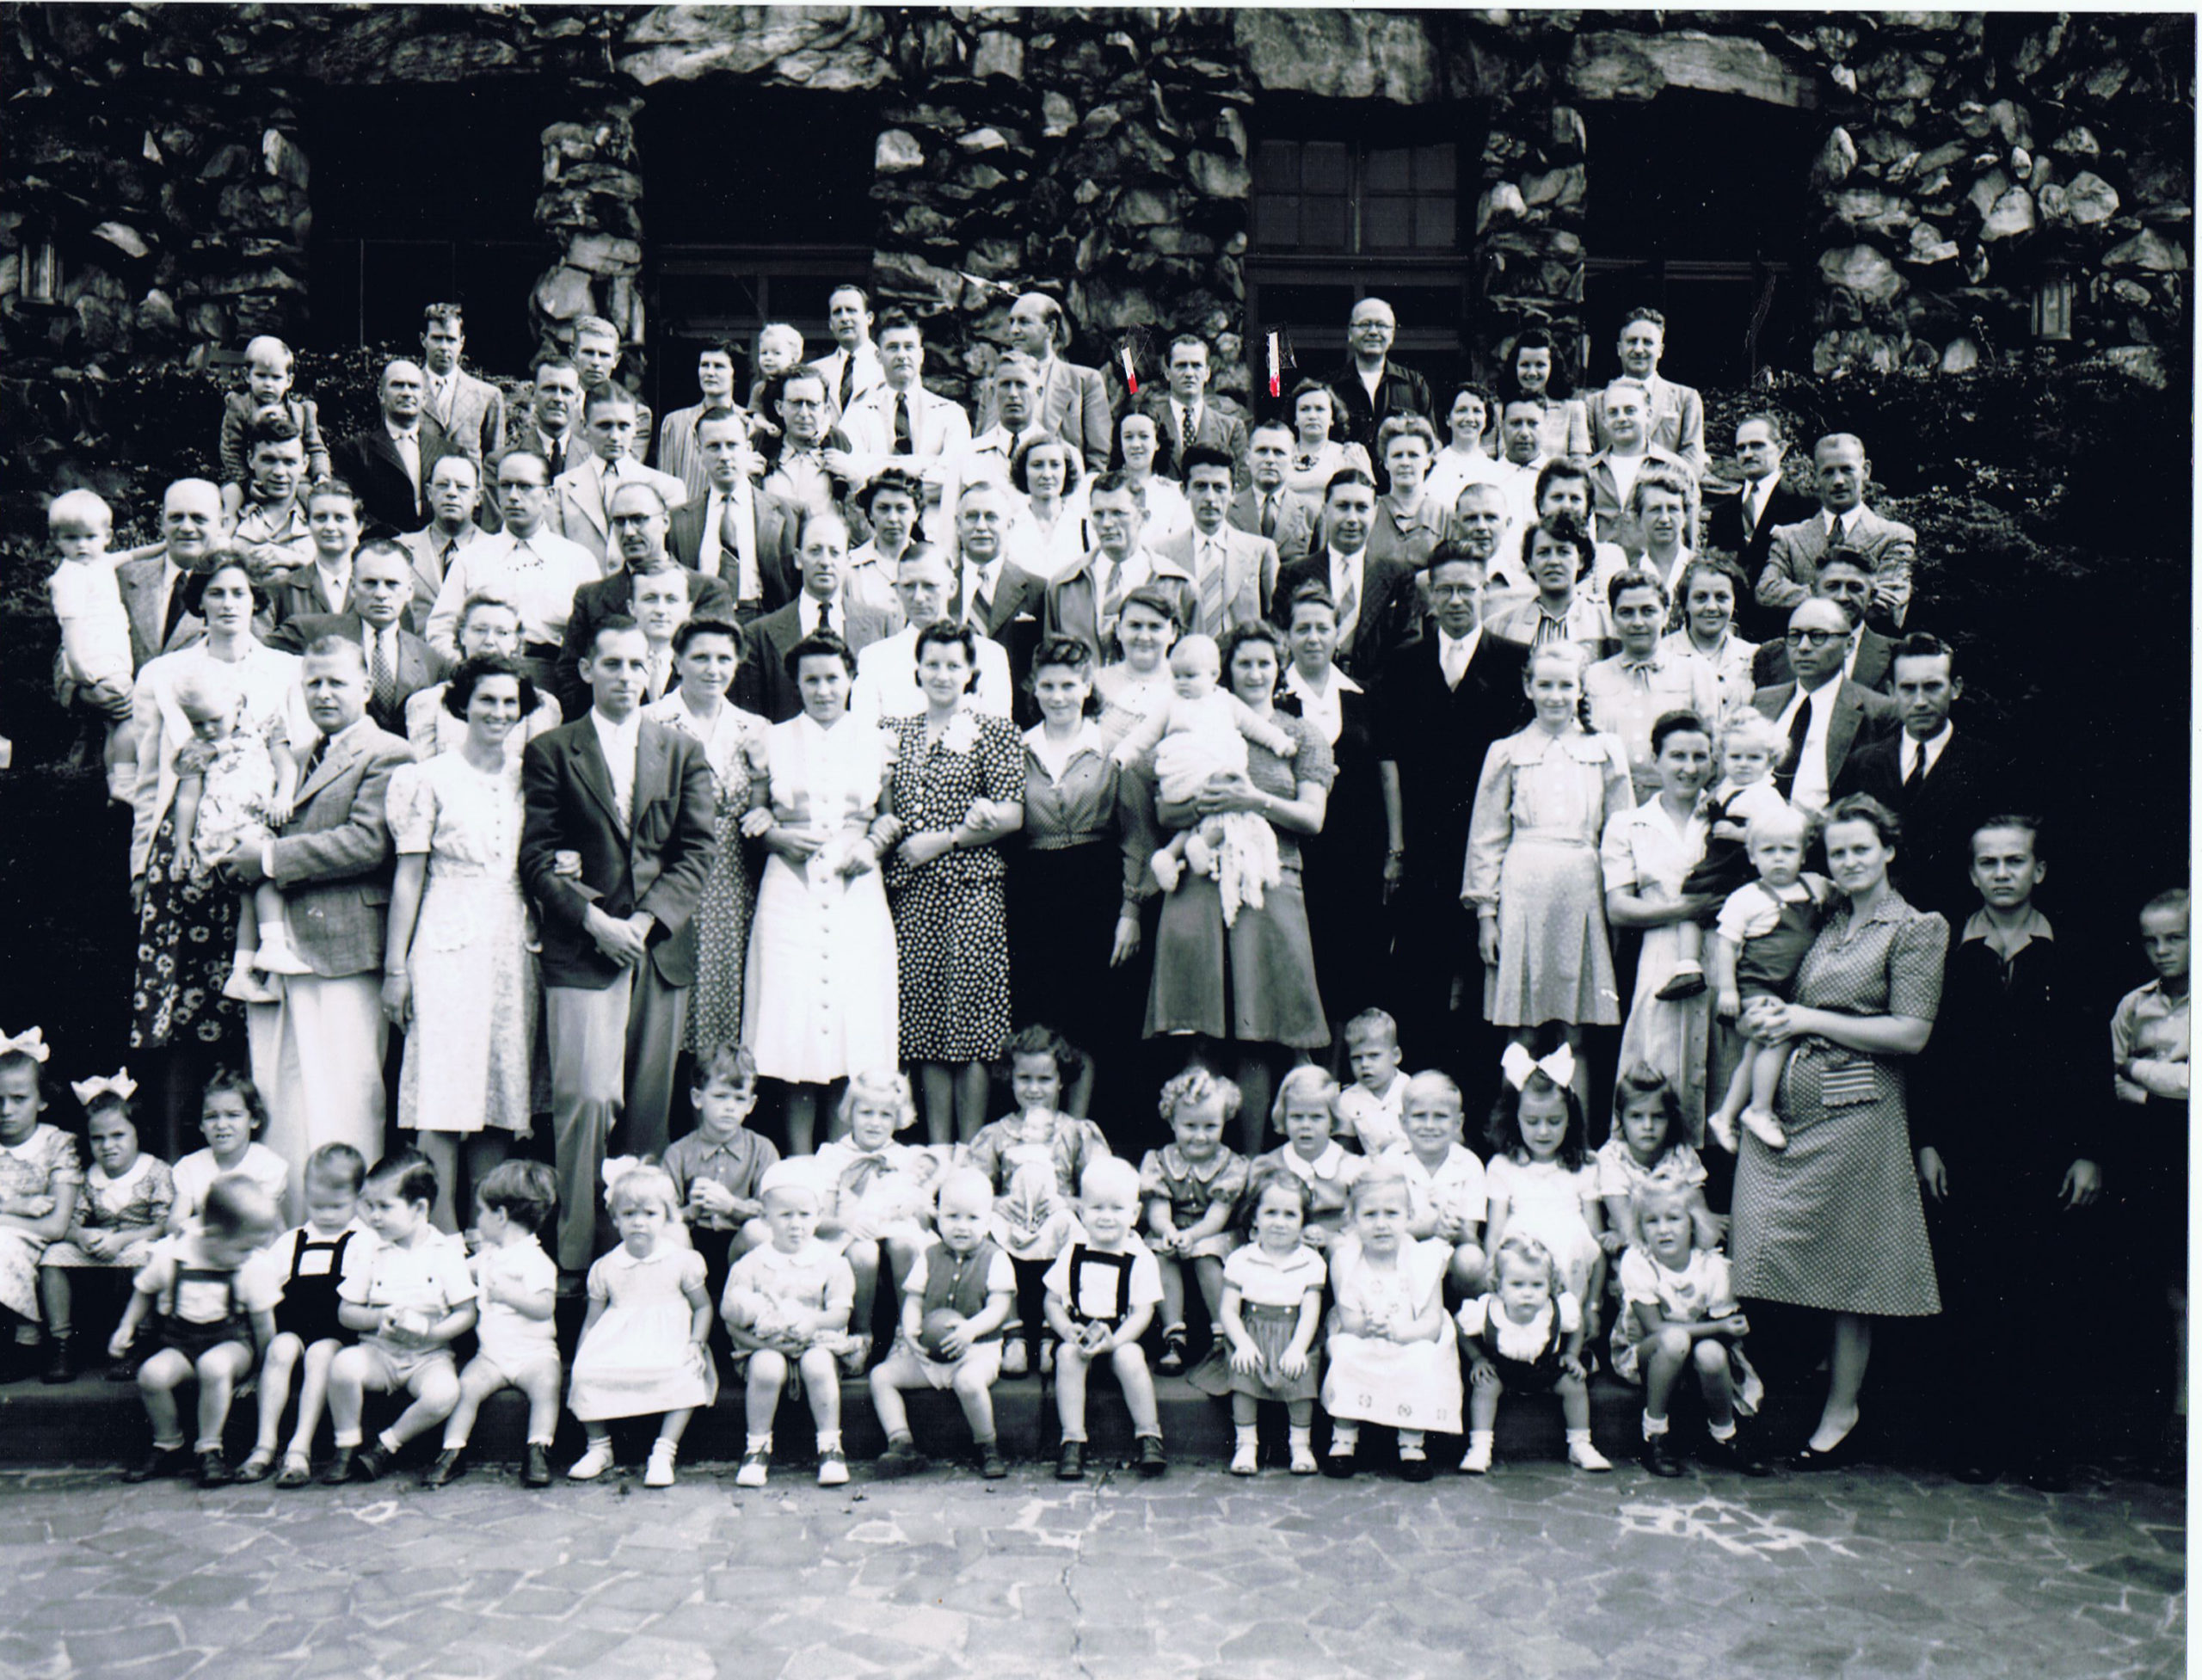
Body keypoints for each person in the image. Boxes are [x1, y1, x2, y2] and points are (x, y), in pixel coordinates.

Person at [1729, 793, 1948, 1468]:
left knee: (1850, 1270)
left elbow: (1911, 1032)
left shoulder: (1914, 927)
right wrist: (1770, 1017)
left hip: (1860, 1109)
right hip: (1792, 1109)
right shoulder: (1826, 919)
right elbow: (1781, 996)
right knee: (1758, 1244)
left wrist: (1805, 1020)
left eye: (1861, 847)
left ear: (1888, 850)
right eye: (1838, 850)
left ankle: (1840, 1410)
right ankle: (1763, 1395)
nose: (1849, 860)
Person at [1910, 816, 2105, 1489]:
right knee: (1972, 1293)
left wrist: (2088, 1152)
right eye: (1988, 862)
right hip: (1967, 1150)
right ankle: (1974, 1437)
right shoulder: (1947, 950)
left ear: (2038, 870)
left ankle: (2041, 1444)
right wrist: (1928, 1139)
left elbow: (2090, 1058)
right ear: (1971, 873)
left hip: (2046, 1152)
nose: (2001, 873)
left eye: (2014, 861)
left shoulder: (2070, 950)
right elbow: (1930, 1054)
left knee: (2044, 1298)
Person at [521, 618, 717, 1271]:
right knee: (586, 1098)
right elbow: (538, 857)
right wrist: (594, 920)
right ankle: (577, 1263)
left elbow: (696, 852)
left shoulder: (680, 750)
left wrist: (645, 923)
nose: (626, 677)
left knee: (647, 1113)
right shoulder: (554, 749)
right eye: (612, 664)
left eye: (638, 665)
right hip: (583, 951)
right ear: (585, 670)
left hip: (657, 952)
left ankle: (642, 1264)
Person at [227, 638, 411, 1203]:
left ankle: (352, 1230)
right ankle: (291, 1234)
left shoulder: (389, 753)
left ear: (365, 688)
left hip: (345, 948)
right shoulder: (298, 754)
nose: (324, 693)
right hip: (285, 949)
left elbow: (367, 842)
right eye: (314, 683)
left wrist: (267, 859)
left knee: (347, 1097)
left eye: (336, 681)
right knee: (284, 1093)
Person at [1145, 621, 1336, 1154]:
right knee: (1200, 1028)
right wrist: (1206, 805)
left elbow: (1311, 819)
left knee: (1259, 1027)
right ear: (1225, 669)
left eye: (1265, 663)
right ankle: (1199, 1169)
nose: (1254, 673)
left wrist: (1255, 801)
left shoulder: (1300, 734)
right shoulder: (1197, 718)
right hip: (1201, 880)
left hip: (1269, 882)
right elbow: (1164, 807)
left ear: (1279, 671)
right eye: (1244, 663)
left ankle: (1250, 1162)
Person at [381, 655, 539, 1229]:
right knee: (444, 1093)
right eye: (487, 700)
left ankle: (488, 1230)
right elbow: (409, 875)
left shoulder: (530, 773)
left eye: (509, 701)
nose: (499, 711)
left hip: (511, 941)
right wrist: (395, 968)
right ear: (463, 704)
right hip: (447, 935)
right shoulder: (428, 777)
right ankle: (440, 1235)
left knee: (500, 1091)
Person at [741, 631, 901, 1153]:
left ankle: (841, 1155)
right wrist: (774, 833)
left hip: (856, 892)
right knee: (797, 1027)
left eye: (833, 677)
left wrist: (872, 847)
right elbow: (757, 812)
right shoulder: (774, 739)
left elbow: (889, 816)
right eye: (812, 679)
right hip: (792, 894)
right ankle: (799, 1158)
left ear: (851, 678)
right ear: (797, 684)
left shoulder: (877, 739)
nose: (824, 689)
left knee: (852, 1029)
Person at [1377, 551, 1530, 1079]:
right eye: (1446, 590)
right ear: (1430, 595)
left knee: (1483, 980)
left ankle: (1478, 1110)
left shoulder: (1514, 660)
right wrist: (1397, 850)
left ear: (1485, 590)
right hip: (1423, 847)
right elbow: (1390, 757)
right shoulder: (1403, 662)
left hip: (1489, 847)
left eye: (1467, 589)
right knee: (1419, 976)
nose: (1457, 600)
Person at [882, 620, 1026, 1142]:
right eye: (933, 664)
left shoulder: (995, 732)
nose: (942, 674)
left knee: (971, 1020)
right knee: (923, 1022)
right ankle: (938, 1150)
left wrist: (941, 841)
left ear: (971, 673)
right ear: (917, 670)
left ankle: (971, 1148)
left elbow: (1011, 815)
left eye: (953, 665)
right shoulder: (895, 730)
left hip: (970, 890)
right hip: (913, 893)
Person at [1465, 640, 1633, 1086]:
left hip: (1582, 890)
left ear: (1580, 690)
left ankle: (1572, 1143)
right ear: (1528, 686)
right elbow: (1486, 839)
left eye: (1565, 685)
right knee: (1520, 1032)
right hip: (1523, 891)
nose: (1555, 695)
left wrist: (1618, 907)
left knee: (1573, 1032)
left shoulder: (1605, 750)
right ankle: (1513, 1141)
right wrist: (1487, 915)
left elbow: (1621, 837)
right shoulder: (1506, 752)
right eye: (1545, 685)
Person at [1009, 641, 1148, 1114]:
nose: (1059, 695)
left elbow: (1135, 835)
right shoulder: (1017, 748)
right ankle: (1038, 1128)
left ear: (1087, 687)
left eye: (1069, 685)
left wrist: (1130, 910)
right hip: (1034, 890)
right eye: (1048, 685)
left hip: (1097, 885)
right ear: (1033, 687)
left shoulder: (1111, 749)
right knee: (1041, 1009)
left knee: (1091, 1014)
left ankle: (1079, 1125)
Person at [643, 618, 767, 1063]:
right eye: (700, 657)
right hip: (669, 878)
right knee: (668, 1005)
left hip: (733, 884)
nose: (712, 668)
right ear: (676, 661)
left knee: (723, 1000)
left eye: (723, 658)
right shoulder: (652, 721)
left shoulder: (753, 729)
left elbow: (767, 799)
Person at [1114, 631, 1301, 914]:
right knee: (1231, 794)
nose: (1182, 683)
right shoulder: (1171, 704)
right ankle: (1205, 842)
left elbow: (1257, 727)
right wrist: (1123, 754)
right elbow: (1144, 735)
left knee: (1212, 809)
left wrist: (1280, 742)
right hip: (1188, 774)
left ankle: (1169, 855)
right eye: (1176, 676)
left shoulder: (1225, 702)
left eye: (1190, 676)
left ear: (1214, 674)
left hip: (1191, 781)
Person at [112, 1174, 281, 1486]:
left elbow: (263, 1325)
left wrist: (261, 1371)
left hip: (233, 1345)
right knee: (152, 1374)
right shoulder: (173, 1256)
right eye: (243, 1248)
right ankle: (169, 1444)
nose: (249, 1255)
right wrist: (127, 1325)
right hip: (181, 1343)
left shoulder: (251, 1268)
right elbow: (145, 1289)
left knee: (213, 1366)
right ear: (213, 1235)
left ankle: (209, 1448)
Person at [322, 1150, 477, 1484]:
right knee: (343, 1365)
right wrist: (378, 1319)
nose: (373, 1217)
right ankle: (346, 1444)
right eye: (370, 1206)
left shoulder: (445, 1254)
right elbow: (346, 1312)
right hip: (380, 1352)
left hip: (428, 1356)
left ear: (420, 1209)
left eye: (384, 1207)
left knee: (445, 1393)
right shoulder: (371, 1250)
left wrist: (433, 1332)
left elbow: (467, 1313)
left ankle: (387, 1444)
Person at [964, 1026, 1109, 1375]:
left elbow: (1101, 1186)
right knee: (983, 1228)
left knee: (1075, 1231)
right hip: (1012, 1222)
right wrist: (994, 1203)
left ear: (1061, 1081)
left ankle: (1050, 1331)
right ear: (1010, 1079)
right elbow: (971, 1186)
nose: (1033, 1089)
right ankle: (1012, 1331)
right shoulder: (997, 1134)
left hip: (1055, 1219)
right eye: (1024, 1078)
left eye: (1044, 1079)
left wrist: (1069, 1202)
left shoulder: (1076, 1132)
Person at [1276, 582, 1387, 1036]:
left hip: (1356, 853)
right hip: (1298, 851)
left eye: (1323, 628)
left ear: (1337, 634)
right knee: (1304, 961)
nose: (1313, 637)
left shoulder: (1361, 695)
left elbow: (1385, 773)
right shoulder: (1275, 697)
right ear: (1287, 636)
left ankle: (1344, 1077)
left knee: (1352, 965)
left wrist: (1393, 850)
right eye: (1302, 628)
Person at [564, 1161, 717, 1489]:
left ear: (666, 1218)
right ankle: (599, 1448)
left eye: (650, 1214)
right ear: (615, 1218)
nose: (639, 1222)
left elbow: (703, 1306)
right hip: (621, 1336)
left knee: (683, 1373)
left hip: (671, 1334)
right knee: (587, 1373)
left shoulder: (680, 1260)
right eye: (630, 1213)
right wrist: (582, 1356)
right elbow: (592, 1321)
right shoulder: (606, 1267)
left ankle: (663, 1451)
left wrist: (696, 1342)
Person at [1834, 633, 2008, 918]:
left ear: (1956, 688)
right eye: (1908, 688)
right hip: (1872, 920)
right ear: (1891, 691)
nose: (1920, 701)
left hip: (1958, 920)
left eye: (1932, 687)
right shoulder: (1863, 763)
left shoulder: (1989, 766)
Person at [165, 660, 304, 1006]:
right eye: (198, 723)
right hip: (222, 827)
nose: (209, 729)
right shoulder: (196, 749)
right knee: (268, 872)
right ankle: (272, 945)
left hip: (258, 817)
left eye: (216, 719)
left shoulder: (265, 727)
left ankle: (240, 973)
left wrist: (283, 796)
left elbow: (286, 764)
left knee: (249, 895)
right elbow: (187, 798)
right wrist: (182, 844)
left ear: (238, 703)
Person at [869, 1166, 1017, 1480]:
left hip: (977, 1351)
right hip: (931, 1356)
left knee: (969, 1384)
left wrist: (971, 1330)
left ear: (989, 1222)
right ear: (938, 1218)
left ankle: (987, 1445)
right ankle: (901, 1441)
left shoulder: (996, 1258)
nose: (961, 1227)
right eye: (952, 1217)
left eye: (973, 1218)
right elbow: (915, 1299)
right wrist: (910, 1331)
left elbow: (999, 1306)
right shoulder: (928, 1255)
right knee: (882, 1376)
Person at [1612, 1183, 1768, 1477]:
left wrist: (1729, 1326)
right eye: (1651, 1221)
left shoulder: (1713, 1267)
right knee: (1674, 1339)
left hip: (1695, 1353)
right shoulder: (1638, 1261)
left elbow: (1722, 1334)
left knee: (1711, 1353)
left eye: (1673, 1218)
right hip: (1648, 1351)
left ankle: (1723, 1434)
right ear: (1641, 1228)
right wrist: (1718, 1325)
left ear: (1694, 1224)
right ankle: (1654, 1434)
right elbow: (1653, 1326)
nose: (1663, 1229)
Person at [1703, 803, 1834, 1154]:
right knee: (1777, 1035)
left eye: (1788, 850)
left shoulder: (1817, 887)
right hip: (1756, 986)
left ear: (1804, 854)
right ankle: (1759, 1110)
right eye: (1768, 851)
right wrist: (1727, 989)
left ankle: (1725, 1114)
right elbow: (1725, 946)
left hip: (1794, 989)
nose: (1778, 859)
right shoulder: (1746, 898)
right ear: (1752, 855)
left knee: (1755, 1050)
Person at [2111, 886, 2189, 1469]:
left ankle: (2185, 1422)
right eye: (2152, 940)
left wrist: (2137, 1072)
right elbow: (2102, 1076)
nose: (2162, 950)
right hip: (2149, 1153)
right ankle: (2151, 1420)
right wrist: (2164, 1082)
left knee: (2188, 1293)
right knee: (2156, 1286)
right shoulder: (2135, 1005)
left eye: (2176, 938)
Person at [234, 1142, 366, 1487]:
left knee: (321, 1354)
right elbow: (265, 1289)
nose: (325, 1214)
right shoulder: (292, 1241)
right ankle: (264, 1445)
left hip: (337, 1336)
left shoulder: (362, 1242)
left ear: (358, 1199)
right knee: (280, 1348)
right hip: (294, 1330)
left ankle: (299, 1447)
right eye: (317, 1205)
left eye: (337, 1206)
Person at [1319, 1160, 1459, 1480]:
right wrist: (1369, 1327)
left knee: (1421, 1358)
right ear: (1353, 1220)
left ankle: (1411, 1444)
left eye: (1391, 1214)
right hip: (1363, 1336)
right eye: (1370, 1215)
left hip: (1410, 1336)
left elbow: (1432, 1322)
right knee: (1345, 1353)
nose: (1381, 1224)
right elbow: (1348, 1318)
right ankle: (1343, 1441)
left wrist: (1401, 1332)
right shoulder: (1347, 1259)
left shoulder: (1424, 1259)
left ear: (1409, 1217)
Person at [723, 1158, 858, 1488]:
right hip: (764, 1346)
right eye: (785, 1215)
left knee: (817, 1363)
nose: (795, 1224)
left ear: (818, 1216)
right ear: (766, 1217)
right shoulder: (752, 1264)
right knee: (768, 1366)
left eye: (805, 1215)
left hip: (816, 1341)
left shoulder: (831, 1262)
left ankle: (830, 1446)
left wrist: (813, 1322)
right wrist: (764, 1344)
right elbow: (732, 1320)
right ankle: (757, 1448)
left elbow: (840, 1314)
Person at [427, 1158, 562, 1490]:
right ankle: (452, 1451)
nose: (478, 1220)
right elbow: (460, 1272)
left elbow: (545, 1307)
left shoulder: (536, 1261)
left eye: (481, 1212)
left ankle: (538, 1448)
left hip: (534, 1354)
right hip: (492, 1356)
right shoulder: (489, 1256)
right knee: (467, 1388)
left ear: (500, 1216)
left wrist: (512, 1295)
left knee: (547, 1386)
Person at [35, 1073, 172, 1383]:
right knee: (54, 1253)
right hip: (101, 1246)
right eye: (98, 1138)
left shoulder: (155, 1172)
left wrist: (122, 1238)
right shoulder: (88, 1177)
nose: (107, 1146)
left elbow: (163, 1226)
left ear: (138, 1132)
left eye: (118, 1135)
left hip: (137, 1241)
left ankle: (141, 1340)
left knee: (151, 1253)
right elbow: (69, 1219)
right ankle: (61, 1341)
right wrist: (81, 1235)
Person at [556, 483, 736, 718]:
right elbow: (572, 674)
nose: (628, 532)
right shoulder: (592, 597)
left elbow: (717, 666)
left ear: (665, 522)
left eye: (639, 519)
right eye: (619, 522)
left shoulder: (707, 591)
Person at [422, 451, 601, 678]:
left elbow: (596, 634)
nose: (514, 496)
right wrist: (465, 672)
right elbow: (440, 629)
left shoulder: (577, 560)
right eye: (506, 486)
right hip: (481, 677)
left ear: (548, 494)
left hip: (554, 677)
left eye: (525, 486)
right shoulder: (470, 558)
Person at [1047, 1155, 1168, 1481]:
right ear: (1082, 1212)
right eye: (1097, 1208)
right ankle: (1073, 1439)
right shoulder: (1072, 1250)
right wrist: (1065, 1329)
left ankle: (1149, 1434)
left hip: (1122, 1334)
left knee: (1131, 1357)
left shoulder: (1139, 1256)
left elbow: (1144, 1311)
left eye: (1117, 1209)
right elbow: (1053, 1300)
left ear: (1135, 1213)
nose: (1106, 1217)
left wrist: (1116, 1340)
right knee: (1066, 1355)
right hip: (1081, 1332)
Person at [1659, 708, 1790, 1008]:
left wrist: (1740, 833)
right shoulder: (1729, 785)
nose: (1743, 765)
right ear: (1722, 757)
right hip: (1718, 861)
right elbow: (1717, 799)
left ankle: (1726, 979)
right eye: (1736, 757)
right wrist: (1709, 804)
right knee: (1693, 900)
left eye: (1754, 758)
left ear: (1770, 760)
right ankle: (1688, 965)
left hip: (1742, 866)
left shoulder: (1765, 795)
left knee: (1722, 912)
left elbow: (1778, 835)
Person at [992, 471, 1193, 666]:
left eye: (1118, 513)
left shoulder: (1178, 585)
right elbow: (1051, 666)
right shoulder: (1063, 586)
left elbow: (1195, 666)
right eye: (1098, 514)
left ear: (1144, 518)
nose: (1106, 524)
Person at [1457, 1232, 1610, 1475]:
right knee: (1484, 1385)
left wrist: (1571, 1353)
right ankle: (1480, 1447)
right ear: (1499, 1285)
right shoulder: (1485, 1310)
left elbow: (1577, 1324)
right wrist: (1477, 1358)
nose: (1527, 1293)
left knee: (1574, 1383)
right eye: (1517, 1284)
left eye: (1537, 1285)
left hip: (1545, 1367)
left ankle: (1581, 1444)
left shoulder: (1558, 1309)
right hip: (1503, 1370)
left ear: (1550, 1284)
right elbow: (1461, 1328)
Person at [661, 1043, 776, 1368]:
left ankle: (756, 1326)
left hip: (740, 1253)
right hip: (696, 1249)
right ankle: (678, 1332)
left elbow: (774, 1212)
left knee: (758, 1231)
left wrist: (733, 1206)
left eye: (739, 1099)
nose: (729, 1108)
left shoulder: (762, 1150)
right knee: (671, 1233)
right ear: (698, 1099)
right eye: (720, 1097)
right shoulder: (679, 1153)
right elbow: (662, 1213)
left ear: (751, 1104)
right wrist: (688, 1213)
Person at [811, 1072, 935, 1370]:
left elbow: (926, 1221)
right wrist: (846, 1222)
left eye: (885, 1115)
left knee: (905, 1244)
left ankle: (907, 1333)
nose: (875, 1122)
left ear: (898, 1117)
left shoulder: (908, 1158)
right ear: (849, 1112)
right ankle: (861, 1336)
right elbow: (820, 1218)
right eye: (866, 1112)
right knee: (863, 1252)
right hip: (850, 1233)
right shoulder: (833, 1156)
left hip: (896, 1232)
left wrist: (913, 1206)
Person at [1483, 1045, 1607, 1334]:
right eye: (1532, 1121)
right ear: (1515, 1117)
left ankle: (1566, 1331)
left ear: (1570, 1119)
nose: (1543, 1132)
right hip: (1522, 1250)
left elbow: (1595, 1239)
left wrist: (1594, 1305)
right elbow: (1495, 1234)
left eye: (1554, 1122)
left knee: (1571, 1239)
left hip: (1572, 1251)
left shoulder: (1584, 1165)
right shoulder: (1503, 1165)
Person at [270, 538, 450, 734]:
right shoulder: (308, 633)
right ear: (353, 587)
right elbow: (249, 660)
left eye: (392, 584)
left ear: (409, 590)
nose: (381, 594)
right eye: (370, 583)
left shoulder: (431, 661)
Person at [1140, 1068, 1249, 1376]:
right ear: (1172, 1122)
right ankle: (1174, 1334)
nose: (1200, 1135)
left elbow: (1217, 1216)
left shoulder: (1230, 1165)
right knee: (1161, 1254)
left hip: (1214, 1233)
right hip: (1173, 1230)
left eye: (1210, 1126)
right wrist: (1171, 1231)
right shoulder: (1159, 1161)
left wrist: (1193, 1235)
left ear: (1224, 1122)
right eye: (1190, 1125)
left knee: (1204, 1255)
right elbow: (1158, 1212)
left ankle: (1221, 1332)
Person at [741, 507, 895, 722]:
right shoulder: (759, 635)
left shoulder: (883, 626)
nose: (825, 561)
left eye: (834, 552)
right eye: (815, 551)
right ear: (798, 558)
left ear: (848, 560)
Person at [1756, 433, 1916, 634]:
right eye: (1828, 472)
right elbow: (1766, 592)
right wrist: (1855, 595)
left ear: (1865, 470)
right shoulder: (1789, 538)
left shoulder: (1894, 537)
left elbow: (1891, 606)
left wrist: (1811, 596)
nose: (1838, 480)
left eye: (1847, 470)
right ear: (1815, 477)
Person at [1751, 597, 1900, 814]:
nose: (1803, 647)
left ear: (1848, 645)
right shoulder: (1763, 701)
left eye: (1817, 636)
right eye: (1795, 636)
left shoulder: (1878, 712)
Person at [1584, 571, 1721, 803]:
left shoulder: (1695, 672)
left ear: (1666, 615)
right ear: (1613, 618)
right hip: (1609, 801)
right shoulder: (1593, 676)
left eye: (1648, 611)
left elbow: (1715, 750)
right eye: (1626, 613)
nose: (1637, 622)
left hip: (1678, 801)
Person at [1273, 470, 1420, 684]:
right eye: (1342, 507)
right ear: (1325, 510)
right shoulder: (1294, 574)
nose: (1352, 518)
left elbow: (1408, 646)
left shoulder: (1398, 576)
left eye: (1361, 508)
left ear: (1375, 512)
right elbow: (1281, 640)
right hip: (1311, 693)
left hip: (1376, 700)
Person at [838, 313, 973, 528]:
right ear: (878, 356)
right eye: (892, 347)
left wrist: (878, 467)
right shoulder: (856, 415)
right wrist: (926, 463)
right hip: (876, 531)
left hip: (934, 533)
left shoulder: (951, 414)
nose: (902, 355)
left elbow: (954, 478)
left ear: (921, 355)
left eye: (909, 347)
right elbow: (850, 472)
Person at [852, 547, 1016, 724]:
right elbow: (864, 737)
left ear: (952, 587)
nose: (919, 597)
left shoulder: (990, 656)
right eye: (908, 586)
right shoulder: (874, 659)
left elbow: (996, 736)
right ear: (897, 591)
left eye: (929, 586)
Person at [0, 1033, 83, 1380]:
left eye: (19, 1099)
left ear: (42, 1101)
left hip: (45, 1238)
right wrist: (16, 1207)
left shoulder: (56, 1144)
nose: (5, 1110)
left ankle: (26, 1341)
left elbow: (55, 1226)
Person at [666, 410, 803, 614]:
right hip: (702, 625)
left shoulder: (791, 514)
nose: (724, 456)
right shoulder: (677, 521)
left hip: (764, 623)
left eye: (732, 445)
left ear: (747, 448)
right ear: (698, 451)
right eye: (713, 447)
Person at [47, 489, 138, 789]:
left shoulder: (102, 563)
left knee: (117, 723)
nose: (82, 545)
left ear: (107, 537)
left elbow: (134, 554)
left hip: (110, 652)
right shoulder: (69, 577)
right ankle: (121, 784)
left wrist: (165, 545)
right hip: (94, 658)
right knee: (123, 718)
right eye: (72, 539)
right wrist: (79, 670)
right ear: (57, 540)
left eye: (89, 537)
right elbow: (70, 629)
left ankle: (117, 783)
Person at [405, 593, 563, 760]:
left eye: (502, 633)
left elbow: (537, 778)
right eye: (479, 630)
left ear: (515, 641)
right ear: (462, 635)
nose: (489, 641)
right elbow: (425, 774)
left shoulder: (542, 706)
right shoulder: (428, 703)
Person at [553, 385, 690, 569]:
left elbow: (676, 563)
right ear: (585, 427)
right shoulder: (562, 487)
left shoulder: (666, 488)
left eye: (623, 426)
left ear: (635, 428)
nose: (615, 436)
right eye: (604, 426)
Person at [1708, 413, 1813, 641]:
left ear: (1781, 448)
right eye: (1741, 448)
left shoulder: (1806, 506)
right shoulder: (1721, 513)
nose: (1747, 454)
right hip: (1733, 635)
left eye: (1756, 445)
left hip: (1786, 633)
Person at [1596, 1065, 1719, 1257]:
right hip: (1637, 1254)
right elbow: (1630, 1232)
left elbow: (1702, 1223)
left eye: (1658, 1117)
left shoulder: (1681, 1154)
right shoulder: (1612, 1157)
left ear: (1670, 1118)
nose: (1648, 1126)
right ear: (1621, 1118)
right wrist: (1623, 1236)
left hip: (1680, 1251)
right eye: (1636, 1116)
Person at [1157, 446, 1281, 637]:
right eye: (1200, 486)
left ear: (1233, 492)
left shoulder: (1261, 551)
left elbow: (1275, 621)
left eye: (1219, 487)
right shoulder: (1162, 553)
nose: (1210, 498)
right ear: (1184, 491)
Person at [981, 292, 1112, 470]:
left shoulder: (1084, 382)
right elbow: (981, 444)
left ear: (1050, 329)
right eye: (1011, 322)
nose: (1014, 330)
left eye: (1024, 322)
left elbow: (1098, 458)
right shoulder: (992, 386)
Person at [1390, 1071, 1489, 1296]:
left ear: (1458, 1123)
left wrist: (1453, 1224)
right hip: (1399, 1251)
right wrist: (1428, 1227)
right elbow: (1383, 1225)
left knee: (1472, 1260)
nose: (1429, 1125)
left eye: (1440, 1116)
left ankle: (1465, 1318)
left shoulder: (1469, 1164)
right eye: (1419, 1115)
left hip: (1450, 1257)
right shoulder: (1392, 1160)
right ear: (1403, 1122)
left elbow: (1470, 1238)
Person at [331, 360, 456, 536]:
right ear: (381, 394)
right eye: (398, 385)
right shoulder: (354, 451)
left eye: (414, 387)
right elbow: (350, 508)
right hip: (379, 549)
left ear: (425, 399)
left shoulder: (450, 453)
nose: (406, 393)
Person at [165, 1067, 292, 1234]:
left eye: (233, 1115)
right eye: (211, 1117)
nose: (221, 1125)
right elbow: (175, 1221)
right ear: (201, 1124)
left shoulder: (267, 1166)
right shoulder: (190, 1167)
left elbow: (269, 1226)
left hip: (249, 1244)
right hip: (205, 1243)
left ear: (254, 1119)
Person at [1749, 552, 1896, 692]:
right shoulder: (1772, 655)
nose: (1842, 597)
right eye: (1832, 586)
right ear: (1814, 592)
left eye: (1854, 588)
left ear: (1872, 596)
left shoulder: (1896, 654)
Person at [218, 334, 329, 515]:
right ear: (247, 375)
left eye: (276, 378)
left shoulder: (301, 412)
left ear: (289, 380)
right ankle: (225, 534)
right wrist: (245, 481)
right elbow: (230, 449)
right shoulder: (239, 407)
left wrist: (321, 475)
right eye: (261, 376)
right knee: (231, 497)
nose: (268, 384)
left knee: (314, 499)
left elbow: (316, 448)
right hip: (252, 476)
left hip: (293, 478)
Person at [1258, 1066, 1365, 1251]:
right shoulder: (1269, 1165)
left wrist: (1331, 1238)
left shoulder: (1350, 1167)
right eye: (1297, 1117)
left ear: (1332, 1120)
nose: (1305, 1126)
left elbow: (1363, 1218)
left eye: (1316, 1117)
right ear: (1284, 1118)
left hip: (1335, 1249)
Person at [1586, 308, 1706, 471]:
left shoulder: (1685, 398)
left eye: (1647, 342)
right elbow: (1587, 462)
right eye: (1632, 341)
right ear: (1619, 349)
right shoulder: (1595, 403)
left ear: (1660, 350)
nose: (1639, 350)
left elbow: (1693, 459)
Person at [1585, 379, 1698, 551]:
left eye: (1630, 410)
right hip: (1603, 573)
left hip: (1655, 574)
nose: (1621, 418)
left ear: (1648, 413)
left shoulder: (1675, 469)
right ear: (1604, 420)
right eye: (1613, 412)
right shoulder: (1588, 473)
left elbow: (1689, 540)